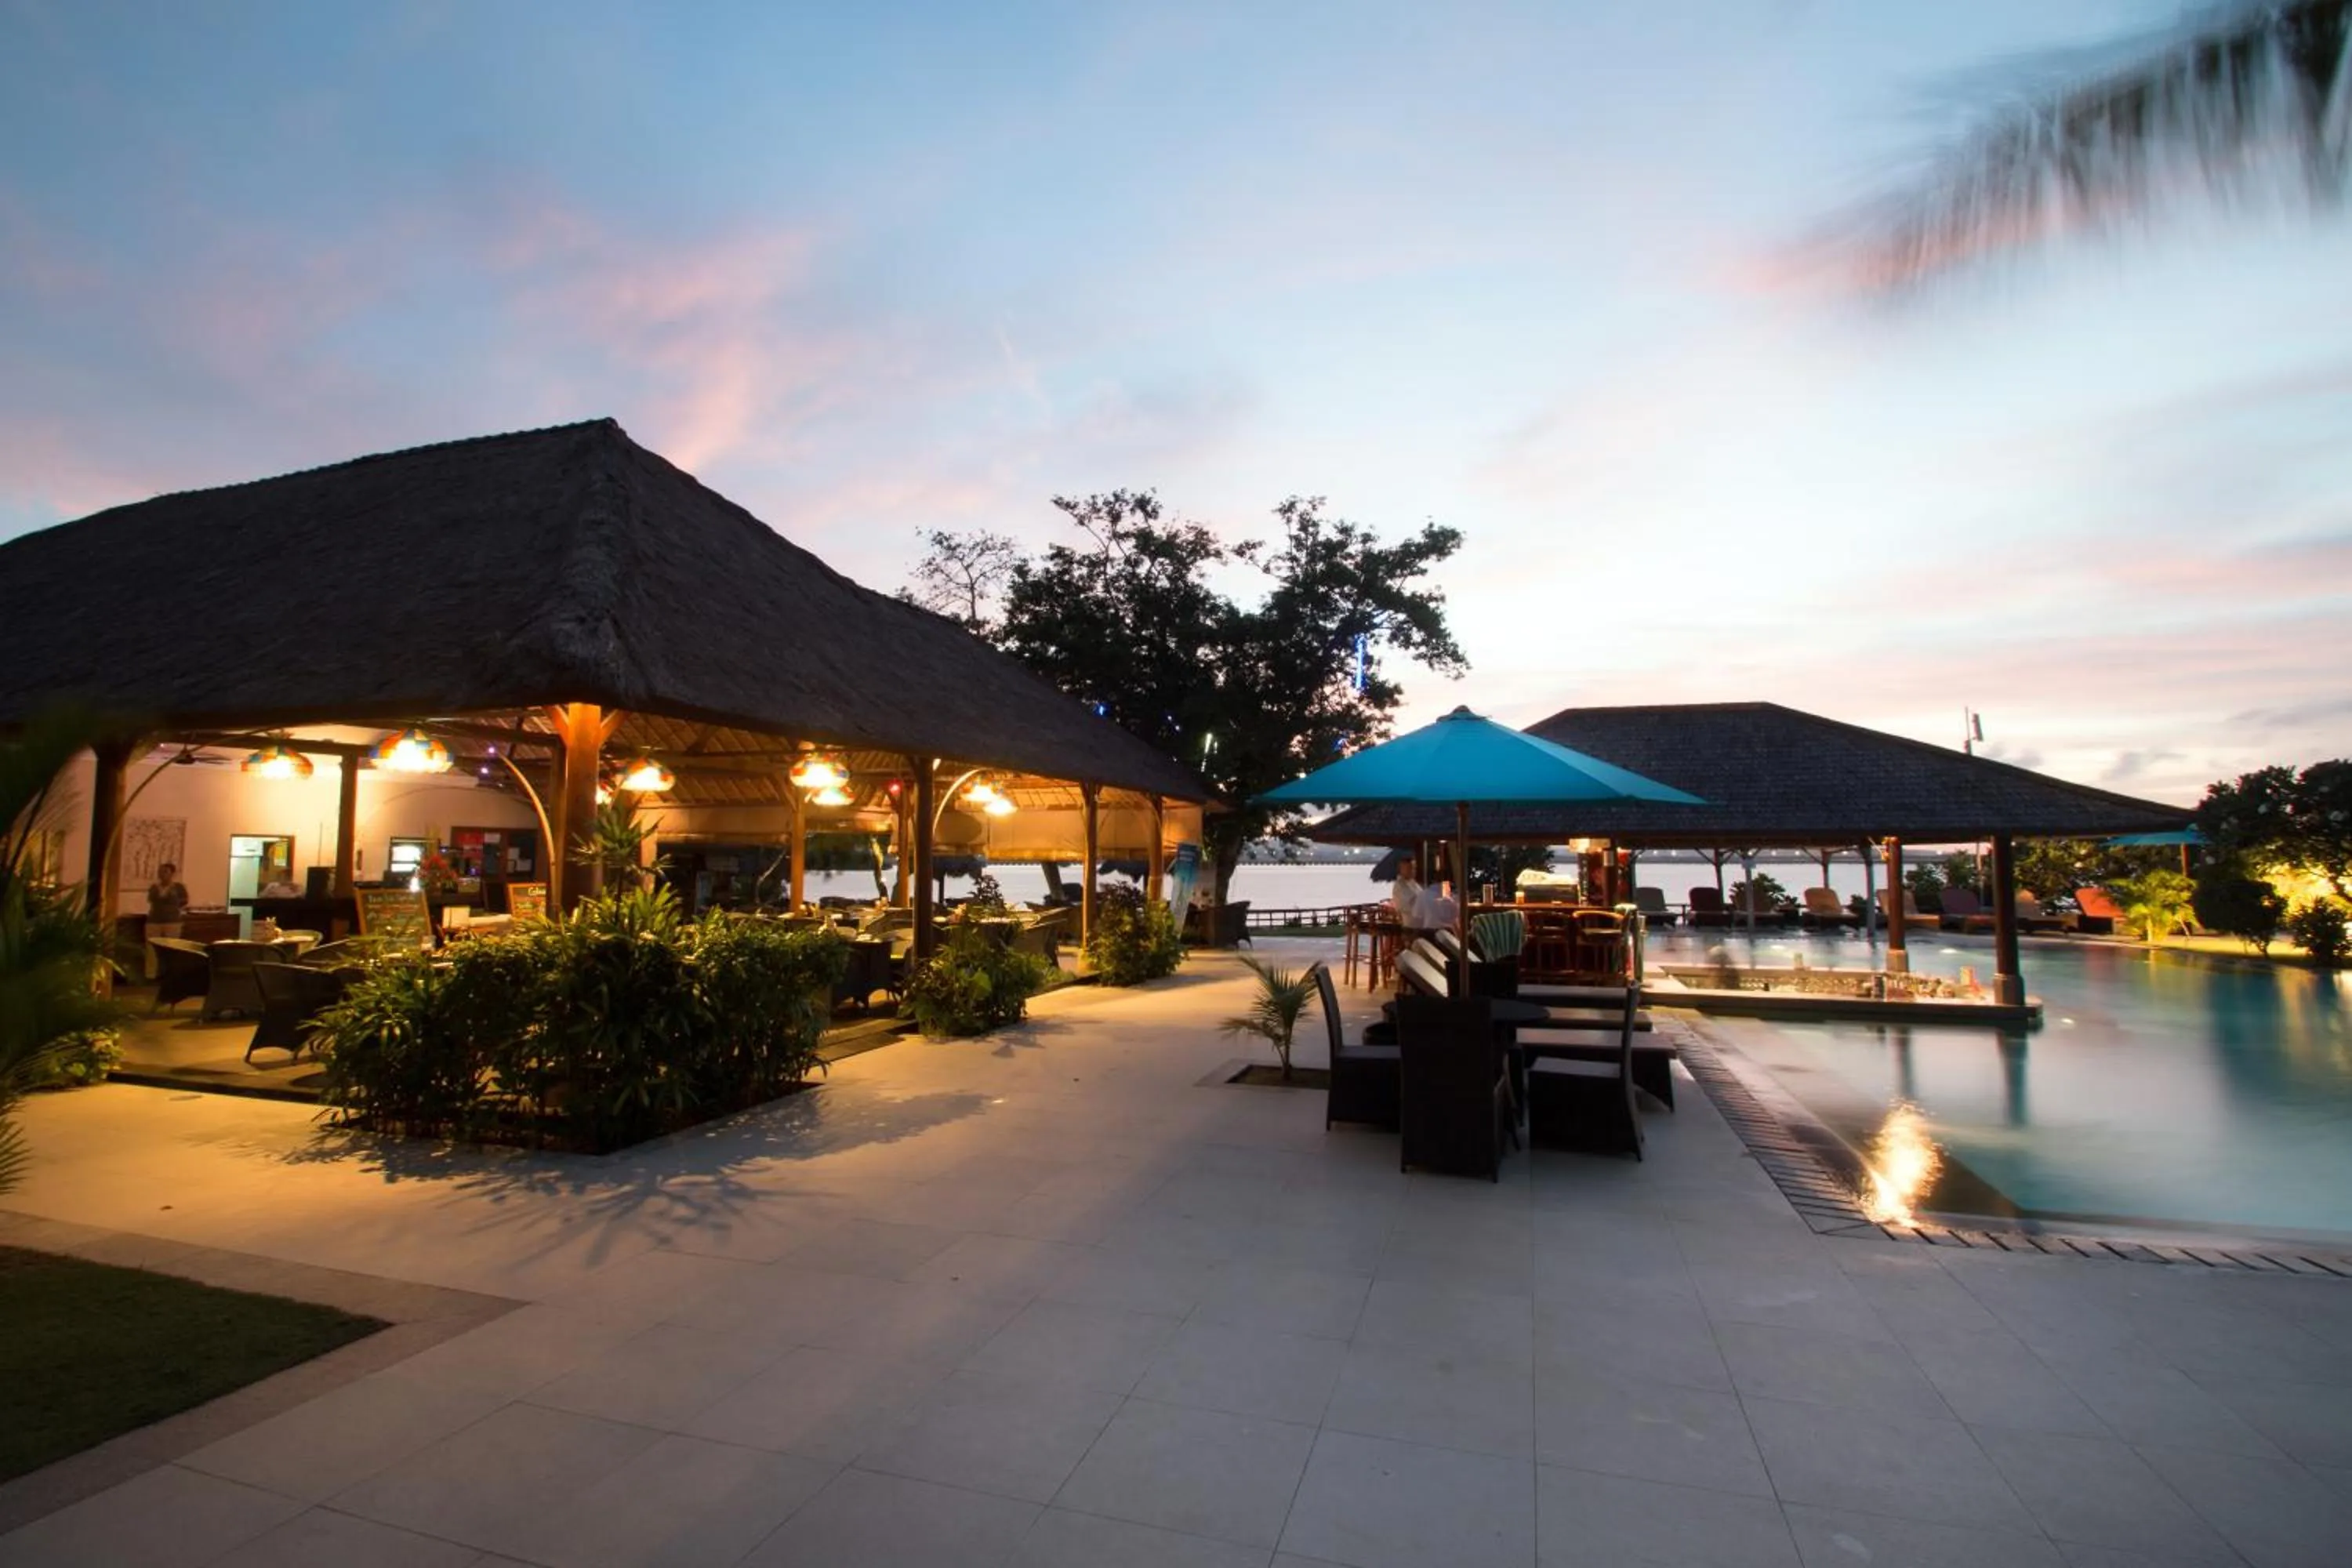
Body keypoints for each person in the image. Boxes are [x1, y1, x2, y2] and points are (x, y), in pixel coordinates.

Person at [145, 861, 190, 939]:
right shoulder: (154, 887)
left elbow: (184, 901)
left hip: (172, 922)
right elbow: (150, 900)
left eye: (165, 872)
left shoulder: (178, 887)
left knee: (171, 946)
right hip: (154, 921)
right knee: (152, 946)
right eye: (160, 872)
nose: (162, 874)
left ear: (172, 874)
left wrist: (172, 909)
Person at [1391, 857, 1428, 930]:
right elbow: (1415, 903)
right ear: (1401, 870)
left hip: (1423, 923)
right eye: (1409, 869)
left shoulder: (1412, 883)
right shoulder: (1400, 886)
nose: (1413, 871)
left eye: (1414, 868)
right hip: (1413, 927)